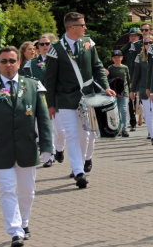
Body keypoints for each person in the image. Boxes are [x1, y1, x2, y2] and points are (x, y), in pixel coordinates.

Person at [0, 46, 52, 247]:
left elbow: (43, 120)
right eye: (4, 61)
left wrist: (46, 146)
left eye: (12, 61)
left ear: (19, 63)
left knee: (27, 191)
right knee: (7, 189)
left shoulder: (33, 86)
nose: (9, 65)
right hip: (2, 148)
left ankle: (24, 223)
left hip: (27, 147)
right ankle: (15, 231)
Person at [44, 12, 114, 188]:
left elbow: (97, 66)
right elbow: (50, 80)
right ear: (72, 27)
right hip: (66, 98)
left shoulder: (88, 43)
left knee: (87, 135)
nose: (85, 28)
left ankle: (82, 162)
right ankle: (78, 171)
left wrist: (105, 86)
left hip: (88, 97)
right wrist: (51, 104)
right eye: (82, 25)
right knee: (72, 135)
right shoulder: (56, 49)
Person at [25, 33, 57, 167]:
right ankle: (49, 155)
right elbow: (25, 82)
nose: (44, 46)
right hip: (40, 99)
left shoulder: (58, 59)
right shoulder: (31, 64)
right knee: (44, 127)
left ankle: (58, 149)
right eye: (41, 44)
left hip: (57, 98)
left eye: (47, 44)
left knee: (59, 131)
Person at [130, 35, 153, 144]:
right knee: (149, 112)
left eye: (150, 42)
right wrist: (133, 90)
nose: (148, 45)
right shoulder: (140, 57)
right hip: (143, 88)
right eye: (146, 43)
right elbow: (136, 75)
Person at [121, 27, 144, 133]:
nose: (132, 37)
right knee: (131, 101)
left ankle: (144, 118)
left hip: (140, 75)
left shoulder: (141, 47)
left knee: (143, 99)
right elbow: (119, 54)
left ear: (139, 37)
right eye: (130, 36)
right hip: (129, 76)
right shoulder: (126, 48)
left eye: (134, 35)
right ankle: (133, 122)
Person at [108, 50, 130, 137]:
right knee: (116, 110)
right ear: (112, 59)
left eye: (119, 57)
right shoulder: (110, 68)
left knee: (123, 109)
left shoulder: (125, 68)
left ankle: (124, 128)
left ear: (122, 58)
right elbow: (108, 80)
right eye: (115, 57)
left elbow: (128, 79)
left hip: (124, 91)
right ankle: (117, 128)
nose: (117, 59)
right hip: (115, 92)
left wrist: (131, 90)